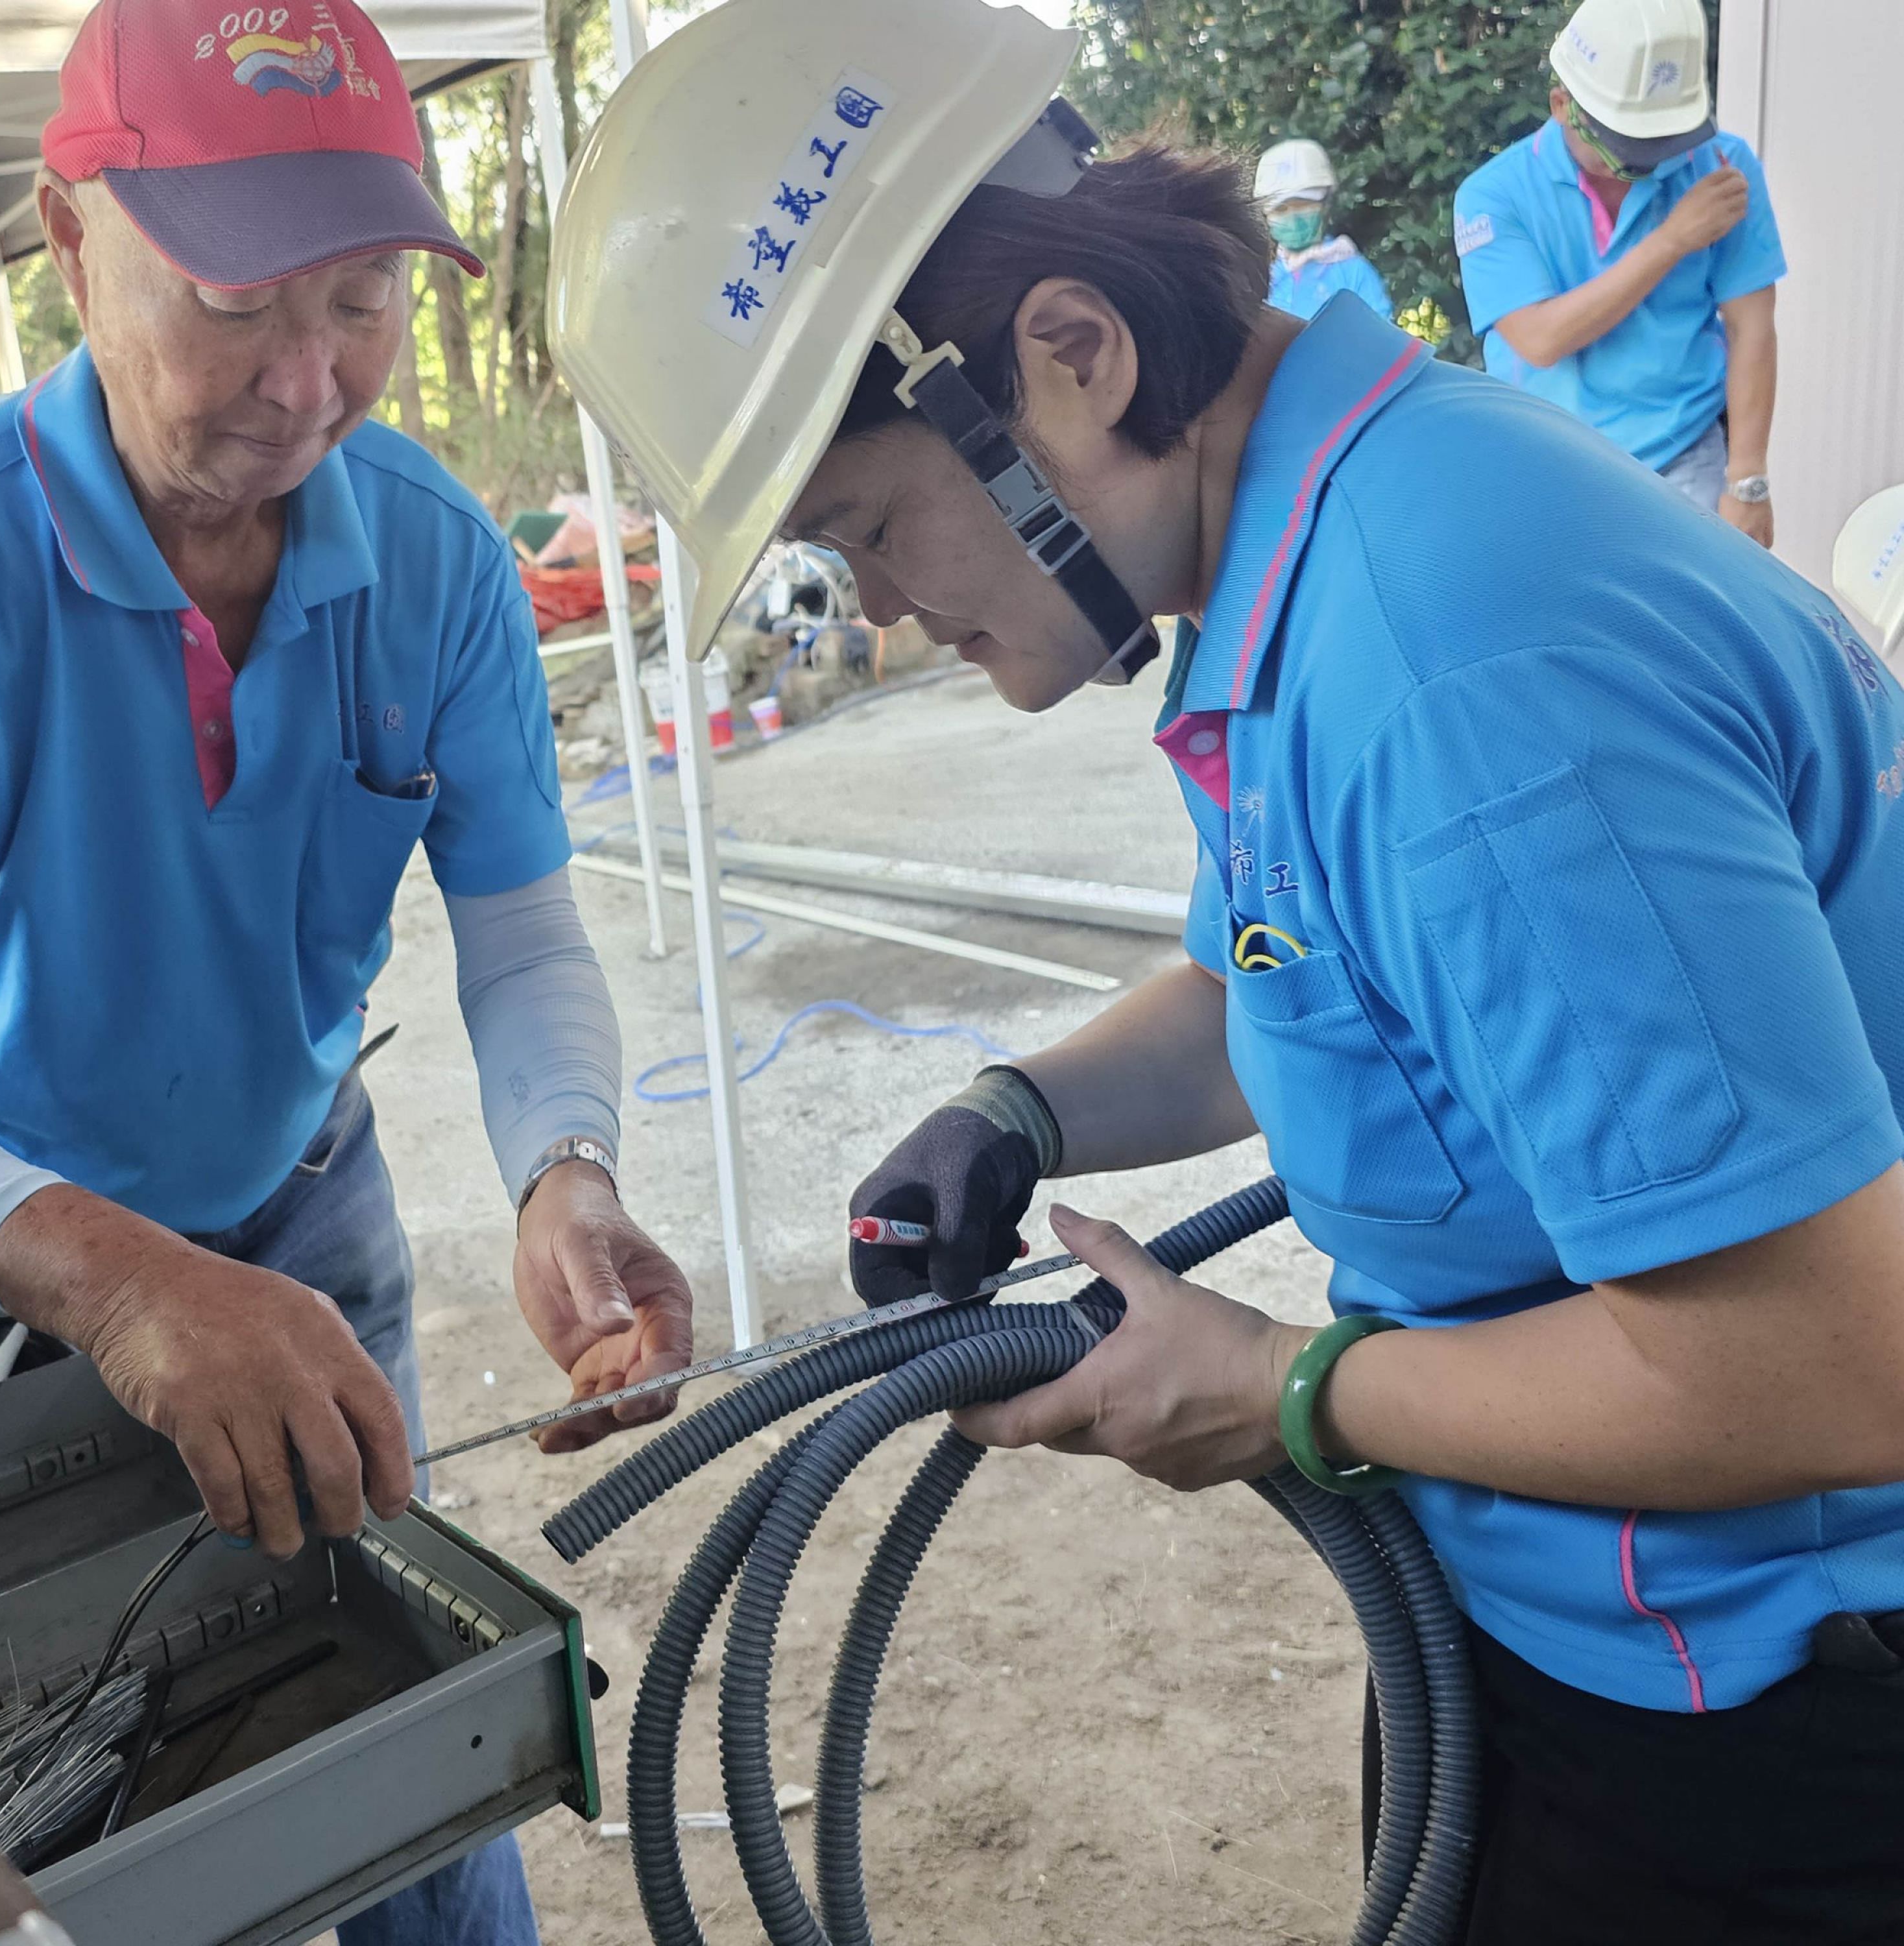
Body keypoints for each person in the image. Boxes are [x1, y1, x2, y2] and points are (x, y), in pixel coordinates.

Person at [550, 0, 1904, 1938]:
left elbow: (1824, 1362)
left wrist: (1289, 1388)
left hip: (1759, 1720)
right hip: (1560, 1627)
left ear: (1073, 354)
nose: (885, 609)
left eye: (867, 524)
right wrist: (1020, 1112)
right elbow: (1278, 984)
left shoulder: (1455, 666)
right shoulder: (1332, 539)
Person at [0, 0, 699, 1935]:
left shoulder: (438, 566)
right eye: (234, 303)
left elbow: (520, 934)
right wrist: (127, 1281)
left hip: (304, 1222)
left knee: (392, 1721)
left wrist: (564, 1169)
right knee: (42, 1780)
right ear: (71, 242)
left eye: (361, 301)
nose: (305, 385)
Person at [1453, 0, 1783, 545]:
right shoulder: (1492, 197)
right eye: (1629, 147)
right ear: (1563, 106)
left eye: (1665, 141)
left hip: (1686, 459)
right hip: (1545, 467)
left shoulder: (1721, 167)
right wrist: (1673, 240)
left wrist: (1748, 481)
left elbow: (1753, 327)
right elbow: (1540, 340)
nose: (1650, 163)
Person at [1254, 138, 1392, 322]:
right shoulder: (1261, 274)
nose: (1293, 217)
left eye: (1304, 204)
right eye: (1280, 209)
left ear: (1325, 205)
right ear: (1266, 215)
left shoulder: (1352, 271)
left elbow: (1381, 333)